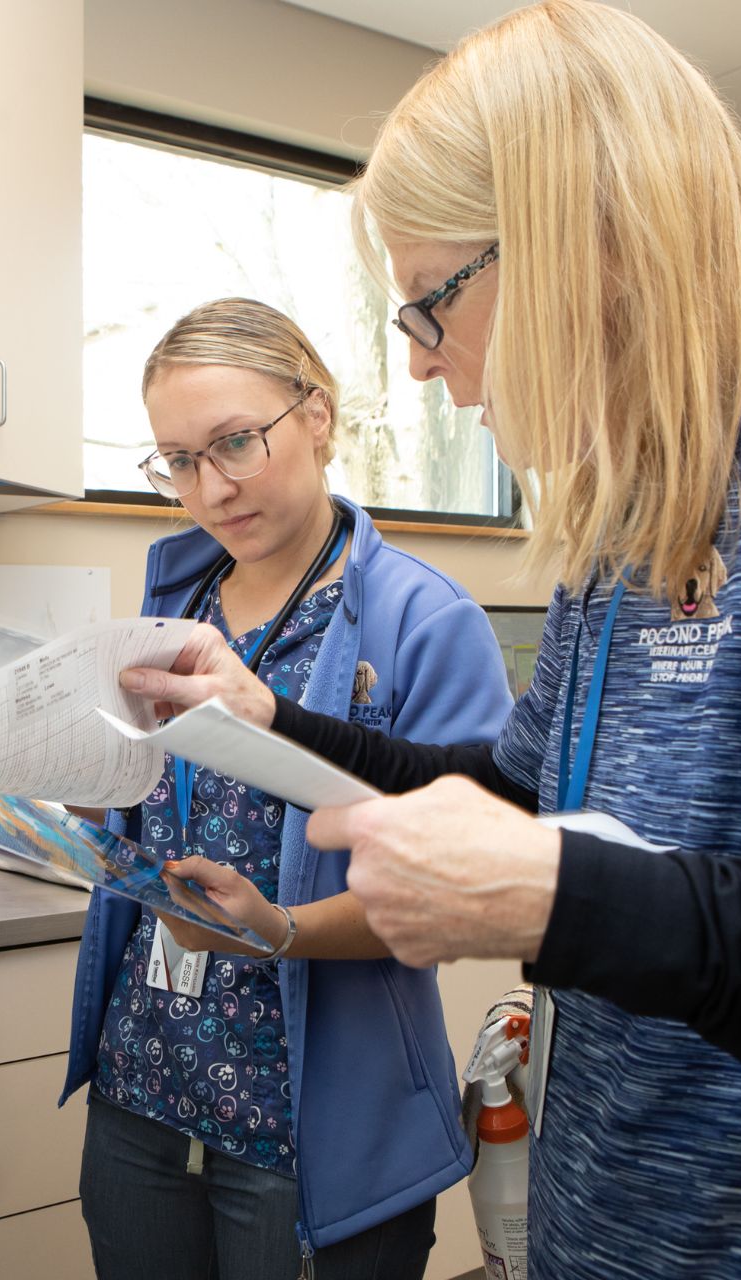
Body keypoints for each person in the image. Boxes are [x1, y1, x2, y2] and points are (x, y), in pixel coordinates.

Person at [120, 4, 741, 1277]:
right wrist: (273, 721)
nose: (418, 366)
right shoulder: (632, 511)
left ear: (581, 241)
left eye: (429, 306)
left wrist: (573, 898)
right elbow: (528, 800)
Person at [61, 298, 514, 1277]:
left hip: (309, 1129)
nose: (210, 487)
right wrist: (84, 795)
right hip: (144, 1089)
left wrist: (284, 928)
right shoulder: (173, 603)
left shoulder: (424, 622)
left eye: (234, 443)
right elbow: (149, 807)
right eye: (178, 461)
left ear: (318, 414)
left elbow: (469, 884)